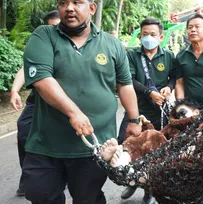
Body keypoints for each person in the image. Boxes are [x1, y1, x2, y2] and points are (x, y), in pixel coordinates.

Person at [22, 1, 141, 204]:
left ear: (92, 8)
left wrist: (134, 119)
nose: (69, 7)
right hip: (47, 142)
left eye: (77, 2)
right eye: (63, 3)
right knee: (39, 194)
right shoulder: (44, 35)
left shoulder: (111, 44)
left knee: (88, 197)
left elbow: (125, 85)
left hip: (95, 145)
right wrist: (73, 113)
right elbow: (42, 80)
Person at [117, 17, 175, 204]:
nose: (148, 37)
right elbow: (129, 80)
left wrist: (168, 88)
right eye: (144, 34)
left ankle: (149, 188)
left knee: (154, 150)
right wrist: (149, 92)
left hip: (159, 112)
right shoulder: (132, 55)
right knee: (127, 144)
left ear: (160, 36)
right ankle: (132, 181)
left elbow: (174, 78)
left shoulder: (168, 56)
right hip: (136, 109)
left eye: (152, 34)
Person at [9, 10, 60, 197]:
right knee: (23, 132)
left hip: (65, 102)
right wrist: (15, 90)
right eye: (51, 27)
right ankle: (28, 177)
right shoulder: (41, 44)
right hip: (37, 99)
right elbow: (25, 67)